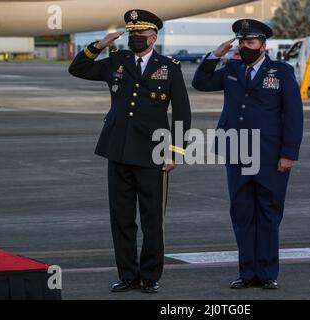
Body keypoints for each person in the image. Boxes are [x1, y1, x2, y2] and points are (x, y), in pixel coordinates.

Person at [68, 9, 191, 293]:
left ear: (153, 36)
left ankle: (149, 276)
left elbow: (182, 112)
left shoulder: (168, 67)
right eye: (132, 33)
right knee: (121, 219)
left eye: (140, 33)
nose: (135, 37)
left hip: (153, 153)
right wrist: (98, 45)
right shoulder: (116, 61)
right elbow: (78, 69)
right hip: (118, 149)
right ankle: (127, 275)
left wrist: (175, 150)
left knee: (152, 220)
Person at [192, 19, 303, 289]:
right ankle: (247, 272)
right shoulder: (231, 68)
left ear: (263, 45)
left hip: (269, 154)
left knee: (268, 213)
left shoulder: (281, 71)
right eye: (242, 42)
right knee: (242, 214)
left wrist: (289, 153)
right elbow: (201, 82)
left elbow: (293, 115)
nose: (245, 47)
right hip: (237, 150)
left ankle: (267, 273)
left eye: (250, 42)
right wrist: (215, 55)